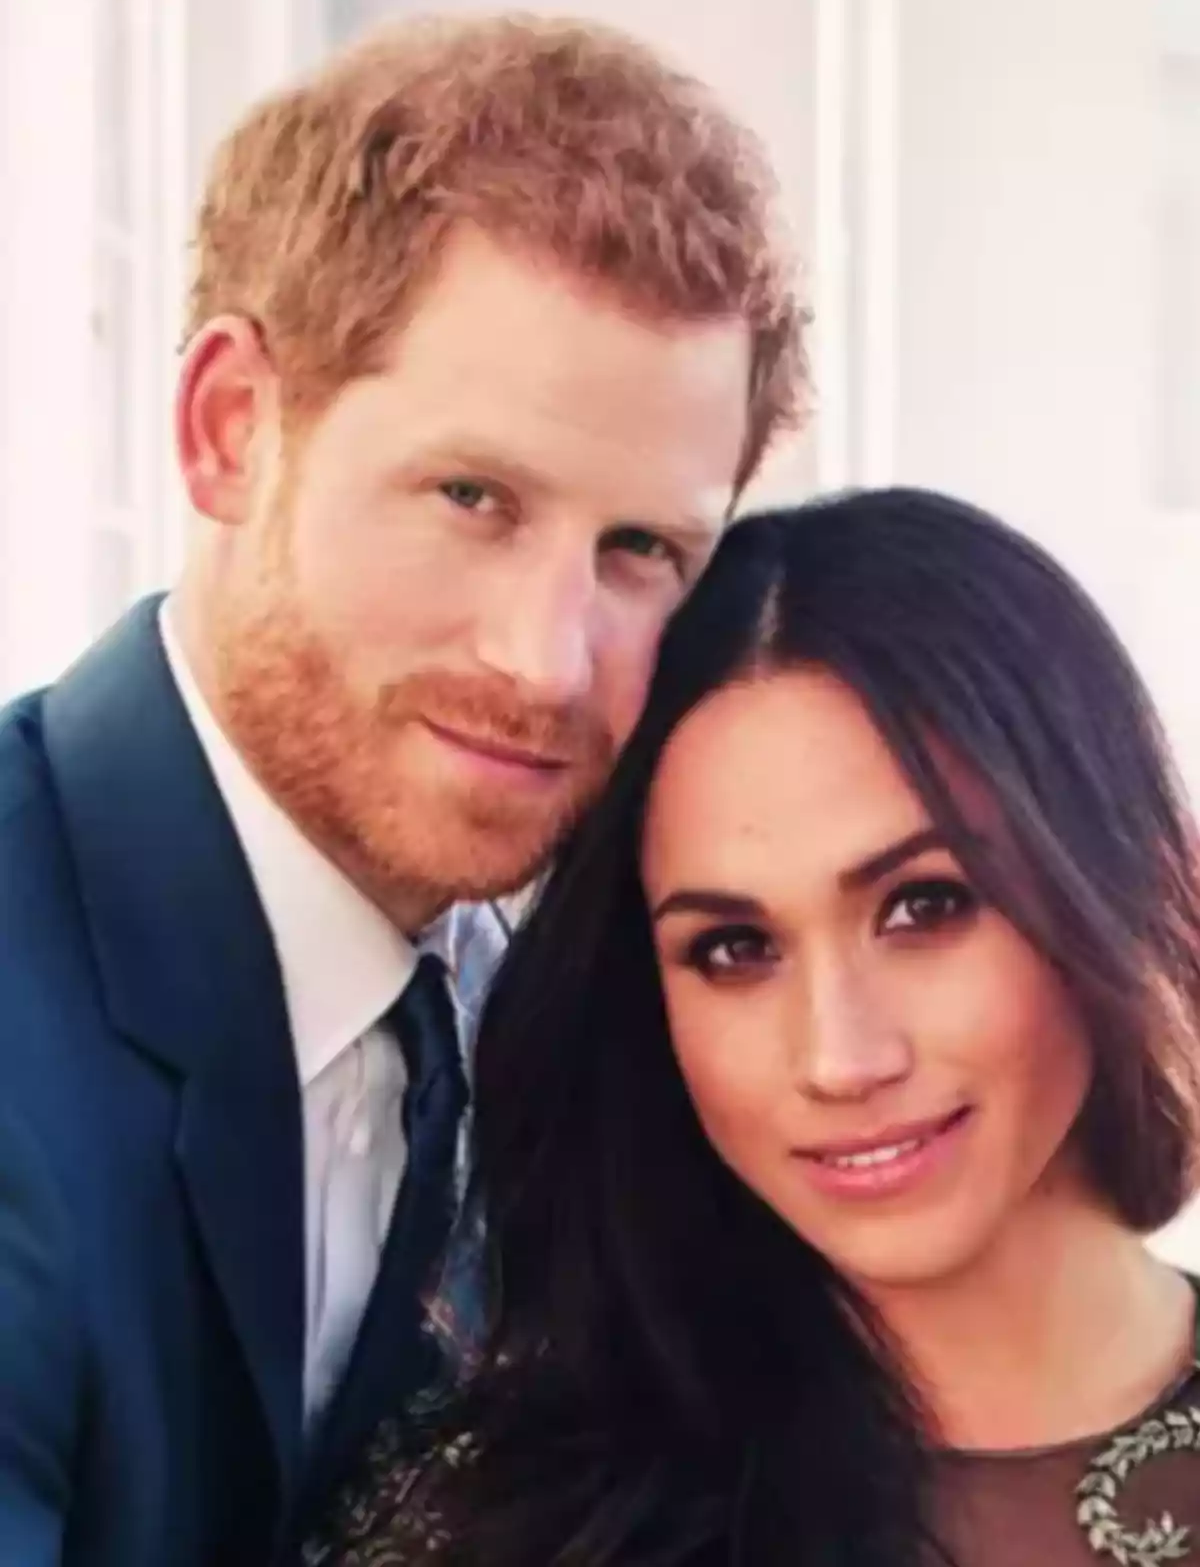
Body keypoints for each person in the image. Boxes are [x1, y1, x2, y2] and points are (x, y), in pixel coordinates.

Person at [0, 12, 804, 1567]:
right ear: (232, 427)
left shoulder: (571, 1011)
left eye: (642, 551)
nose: (548, 662)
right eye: (473, 497)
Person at [309, 488, 1200, 1567]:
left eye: (925, 905)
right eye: (734, 948)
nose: (841, 1056)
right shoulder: (496, 1527)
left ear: (1104, 874)